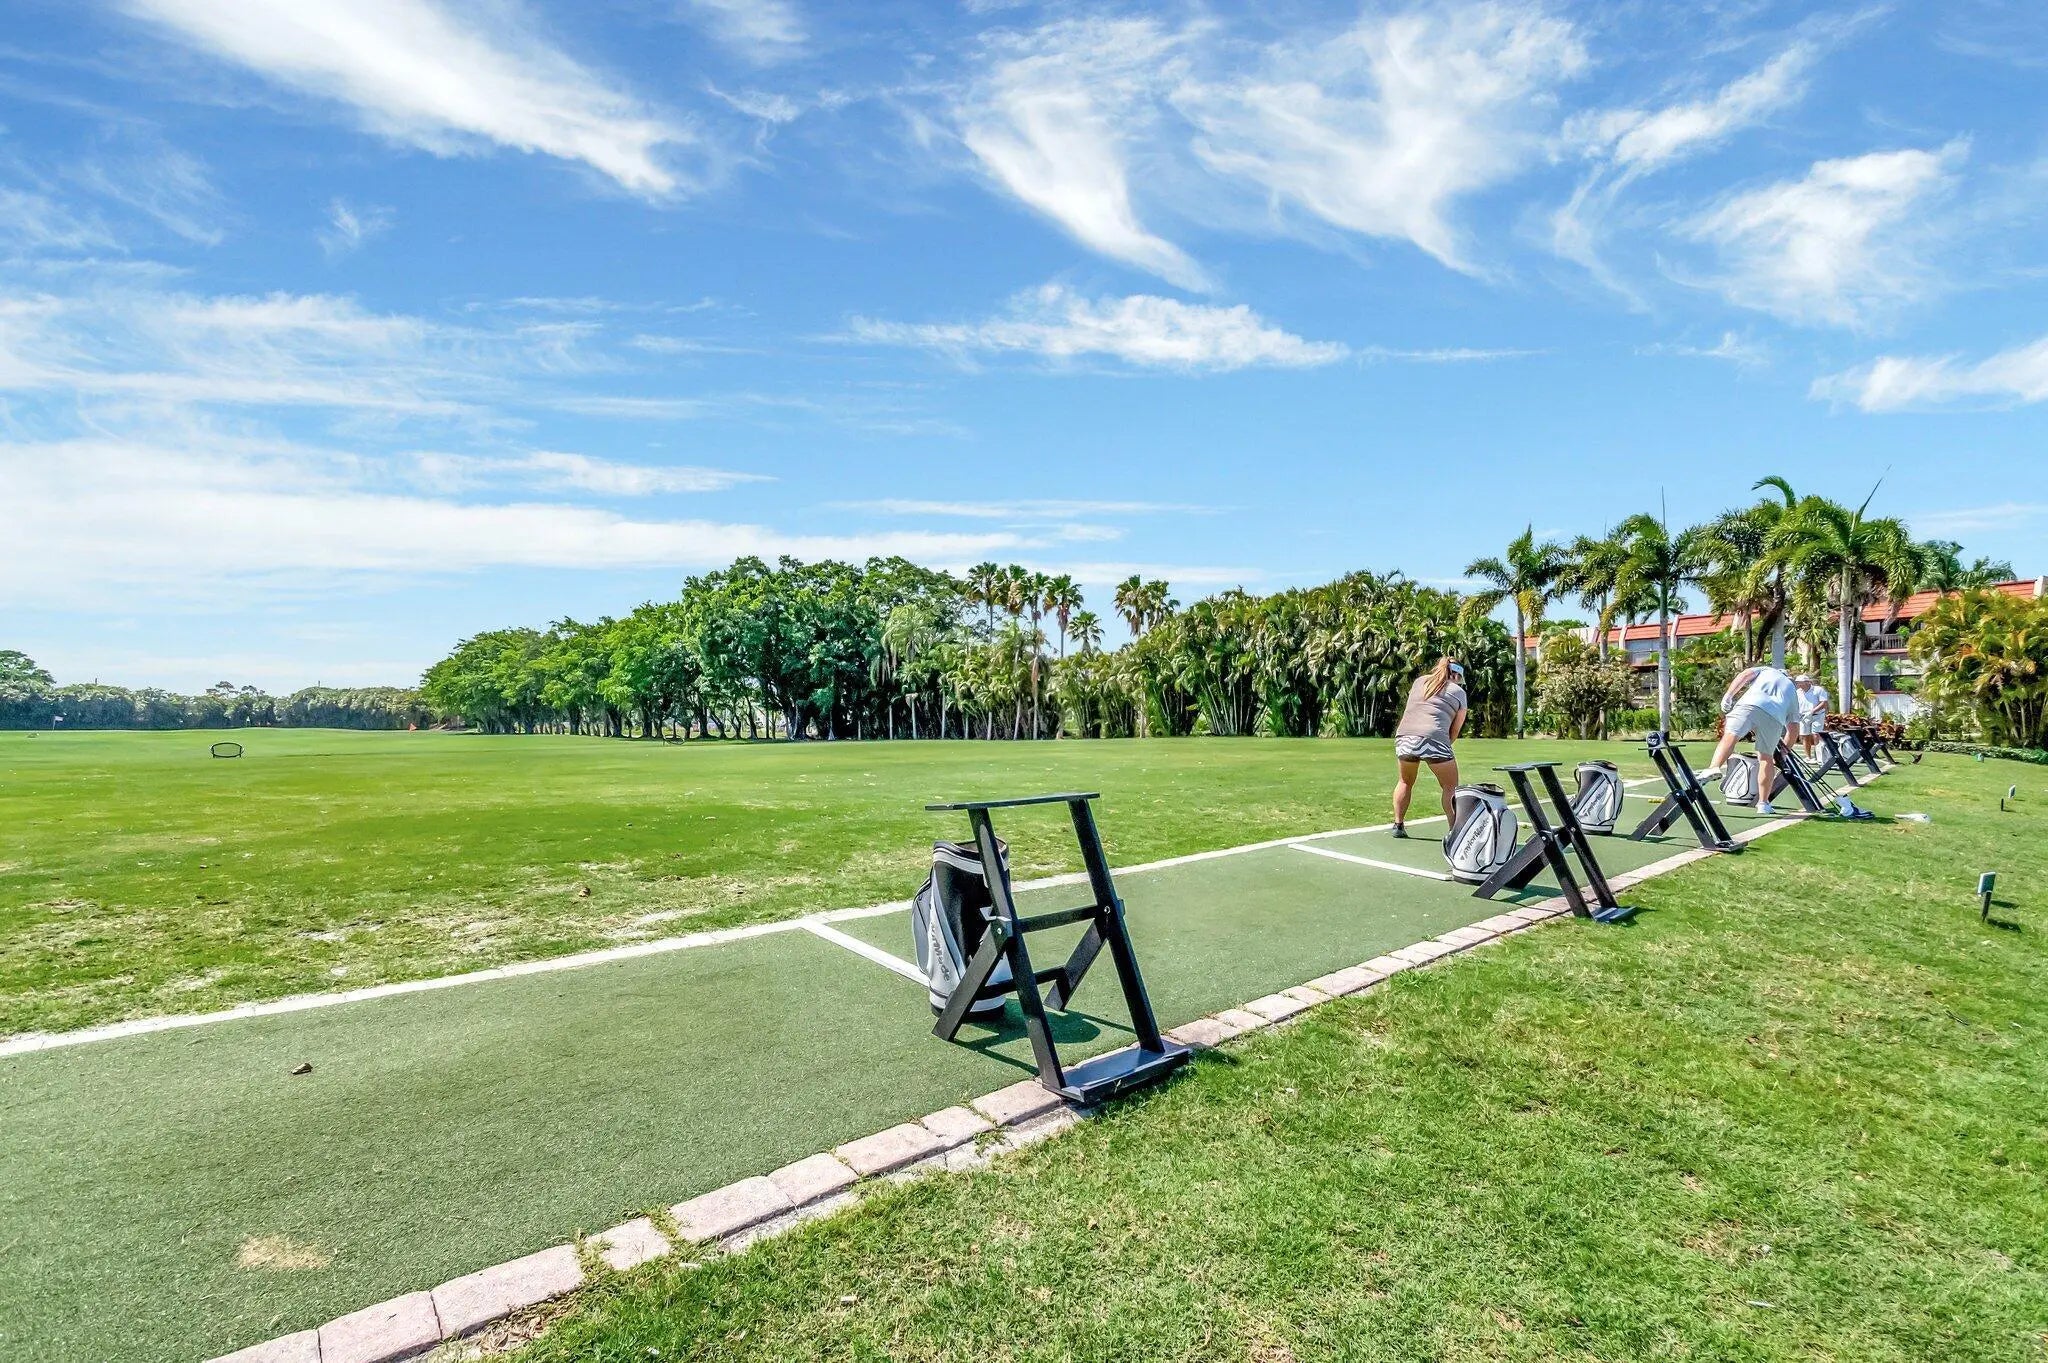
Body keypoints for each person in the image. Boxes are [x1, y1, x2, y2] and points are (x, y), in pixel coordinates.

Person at [1700, 663, 1802, 814]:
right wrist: (1783, 753)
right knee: (1766, 758)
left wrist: (1728, 696)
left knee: (1731, 736)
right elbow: (1794, 728)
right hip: (1774, 718)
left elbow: (1744, 675)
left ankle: (1714, 767)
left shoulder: (1766, 670)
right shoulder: (1792, 691)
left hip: (1748, 705)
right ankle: (1763, 803)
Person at [1392, 658, 1467, 838]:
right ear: (1457, 675)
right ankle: (1455, 832)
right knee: (1450, 786)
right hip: (1435, 737)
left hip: (1405, 737)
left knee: (1405, 782)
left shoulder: (1420, 682)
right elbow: (1455, 730)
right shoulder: (1459, 692)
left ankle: (1398, 825)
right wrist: (1442, 749)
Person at [1794, 674, 1829, 759]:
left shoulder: (1818, 690)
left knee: (1816, 735)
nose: (1798, 684)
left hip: (1817, 716)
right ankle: (1808, 757)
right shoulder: (1798, 692)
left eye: (1800, 682)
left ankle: (1819, 757)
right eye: (1797, 683)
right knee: (1805, 736)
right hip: (1803, 717)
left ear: (1807, 682)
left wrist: (1812, 711)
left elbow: (1823, 703)